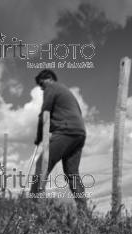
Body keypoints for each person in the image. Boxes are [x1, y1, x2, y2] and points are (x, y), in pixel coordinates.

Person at [30, 69, 88, 212]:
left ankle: (32, 206)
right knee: (72, 173)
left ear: (48, 79)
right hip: (79, 133)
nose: (42, 88)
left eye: (41, 84)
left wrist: (38, 137)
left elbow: (45, 113)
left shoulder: (52, 87)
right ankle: (84, 211)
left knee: (41, 164)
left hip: (66, 131)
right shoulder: (67, 92)